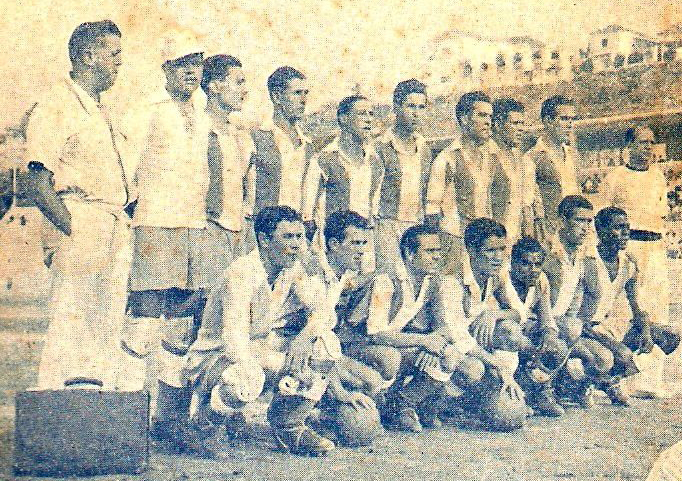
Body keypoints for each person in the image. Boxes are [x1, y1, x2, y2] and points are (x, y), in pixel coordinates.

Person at [184, 206, 381, 456]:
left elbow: (324, 313)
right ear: (265, 240)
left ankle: (289, 426)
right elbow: (234, 342)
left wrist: (303, 339)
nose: (297, 245)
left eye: (300, 237)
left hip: (259, 350)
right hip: (215, 357)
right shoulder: (242, 273)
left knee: (325, 343)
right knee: (249, 375)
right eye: (288, 237)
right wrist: (286, 366)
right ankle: (203, 427)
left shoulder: (291, 270)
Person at [25, 20, 134, 390]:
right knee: (70, 325)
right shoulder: (55, 106)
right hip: (81, 221)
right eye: (114, 54)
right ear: (89, 57)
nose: (120, 62)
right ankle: (54, 413)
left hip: (113, 224)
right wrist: (76, 229)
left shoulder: (101, 108)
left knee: (107, 328)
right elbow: (38, 183)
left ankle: (97, 415)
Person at [122, 32, 213, 450]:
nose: (191, 73)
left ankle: (168, 419)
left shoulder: (203, 114)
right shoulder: (148, 110)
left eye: (196, 65)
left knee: (180, 322)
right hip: (154, 223)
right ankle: (128, 418)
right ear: (165, 69)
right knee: (144, 319)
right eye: (182, 65)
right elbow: (128, 168)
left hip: (194, 226)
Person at [371, 223, 526, 433]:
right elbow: (454, 333)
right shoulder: (447, 280)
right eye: (491, 250)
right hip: (380, 345)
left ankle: (424, 403)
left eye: (501, 249)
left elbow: (445, 328)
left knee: (502, 338)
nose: (498, 257)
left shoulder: (431, 279)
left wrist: (494, 314)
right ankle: (400, 403)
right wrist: (429, 341)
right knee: (465, 364)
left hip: (438, 340)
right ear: (471, 251)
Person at [599, 126, 677, 396]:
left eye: (652, 143)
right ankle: (622, 378)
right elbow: (603, 217)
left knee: (657, 308)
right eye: (642, 142)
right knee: (626, 310)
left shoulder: (658, 177)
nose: (648, 148)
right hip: (628, 246)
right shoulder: (614, 177)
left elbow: (660, 214)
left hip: (655, 248)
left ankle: (650, 381)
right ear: (629, 146)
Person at [579, 207, 680, 404]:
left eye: (627, 227)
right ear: (600, 230)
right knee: (623, 354)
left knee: (669, 336)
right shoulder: (587, 261)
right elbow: (575, 315)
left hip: (605, 326)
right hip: (584, 329)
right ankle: (584, 383)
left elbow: (637, 308)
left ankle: (607, 380)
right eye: (618, 227)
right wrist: (612, 344)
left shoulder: (628, 264)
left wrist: (646, 332)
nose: (626, 233)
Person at [542, 195, 615, 407]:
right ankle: (543, 388)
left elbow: (593, 295)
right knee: (571, 328)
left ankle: (570, 387)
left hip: (566, 326)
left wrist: (578, 325)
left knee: (603, 358)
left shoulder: (583, 256)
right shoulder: (546, 251)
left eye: (589, 222)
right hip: (539, 323)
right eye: (580, 220)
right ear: (562, 221)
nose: (585, 228)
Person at [425, 91, 509, 274]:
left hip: (485, 244)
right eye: (482, 115)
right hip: (456, 242)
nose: (488, 122)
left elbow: (501, 198)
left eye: (490, 116)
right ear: (464, 119)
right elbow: (432, 210)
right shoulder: (447, 159)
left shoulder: (493, 156)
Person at [322, 210, 402, 399]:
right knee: (368, 384)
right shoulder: (317, 273)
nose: (361, 250)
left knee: (378, 375)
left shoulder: (344, 274)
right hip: (311, 350)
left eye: (364, 243)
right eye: (355, 243)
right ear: (334, 245)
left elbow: (350, 284)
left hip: (332, 348)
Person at [495, 236, 569, 416]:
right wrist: (530, 346)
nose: (533, 270)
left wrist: (549, 335)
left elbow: (547, 318)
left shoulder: (540, 280)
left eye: (537, 264)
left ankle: (542, 392)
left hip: (521, 331)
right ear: (513, 263)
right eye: (526, 264)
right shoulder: (500, 278)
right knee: (514, 335)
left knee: (558, 346)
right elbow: (493, 320)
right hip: (501, 338)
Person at [201, 54, 256, 271]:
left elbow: (248, 188)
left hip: (240, 234)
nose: (245, 90)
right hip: (206, 232)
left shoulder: (242, 136)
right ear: (215, 86)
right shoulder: (197, 129)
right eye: (239, 82)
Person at [302, 95, 383, 236]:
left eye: (371, 114)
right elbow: (307, 215)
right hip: (330, 241)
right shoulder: (323, 159)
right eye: (362, 114)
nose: (369, 119)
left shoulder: (375, 162)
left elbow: (374, 212)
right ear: (343, 118)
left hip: (364, 241)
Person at [374, 79, 433, 273]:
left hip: (416, 226)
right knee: (391, 278)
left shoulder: (424, 148)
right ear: (396, 107)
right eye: (410, 106)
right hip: (387, 226)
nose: (416, 113)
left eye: (421, 107)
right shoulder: (380, 147)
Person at [252, 67, 316, 222]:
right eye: (297, 93)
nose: (303, 100)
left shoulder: (307, 146)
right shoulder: (257, 137)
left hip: (296, 229)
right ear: (277, 97)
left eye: (306, 93)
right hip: (264, 228)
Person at [526, 95, 580, 234]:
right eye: (564, 118)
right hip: (550, 233)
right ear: (548, 121)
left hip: (575, 231)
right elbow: (529, 205)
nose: (570, 125)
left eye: (572, 119)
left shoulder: (572, 155)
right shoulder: (533, 157)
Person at [491, 98, 543, 242]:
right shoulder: (486, 156)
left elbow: (527, 204)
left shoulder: (524, 160)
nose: (521, 129)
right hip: (493, 239)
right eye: (515, 123)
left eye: (522, 124)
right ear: (498, 125)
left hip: (517, 238)